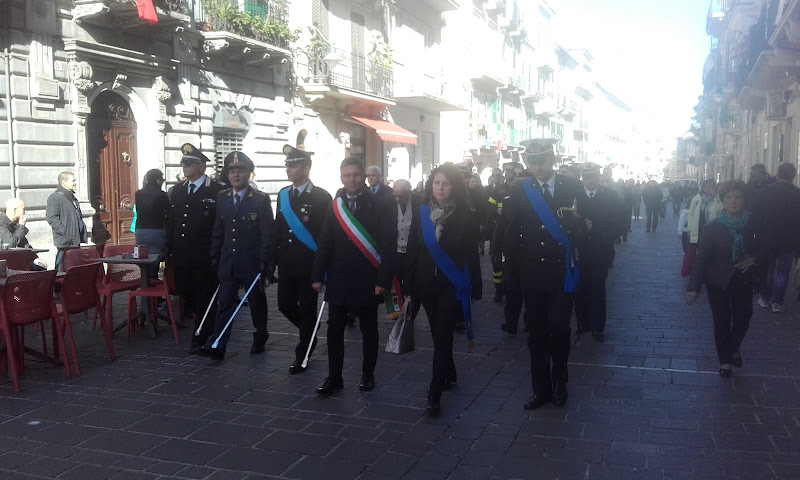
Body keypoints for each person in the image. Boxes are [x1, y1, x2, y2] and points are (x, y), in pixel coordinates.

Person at [505, 138, 585, 410]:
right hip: (532, 274)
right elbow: (510, 233)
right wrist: (510, 276)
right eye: (533, 161)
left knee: (560, 329)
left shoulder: (573, 187)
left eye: (543, 160)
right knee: (537, 333)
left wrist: (576, 227)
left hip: (562, 273)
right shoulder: (519, 191)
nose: (538, 166)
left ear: (553, 159)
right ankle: (541, 389)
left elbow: (589, 231)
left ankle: (560, 382)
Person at [311, 157, 396, 396]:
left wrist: (383, 279)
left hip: (367, 278)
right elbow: (325, 241)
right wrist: (317, 274)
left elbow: (389, 244)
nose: (352, 179)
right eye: (347, 175)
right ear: (341, 177)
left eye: (357, 175)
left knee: (369, 328)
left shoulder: (380, 204)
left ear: (364, 176)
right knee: (334, 328)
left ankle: (368, 374)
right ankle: (334, 377)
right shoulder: (335, 205)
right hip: (338, 278)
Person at [406, 164, 481, 416]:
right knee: (440, 335)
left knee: (442, 335)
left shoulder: (466, 215)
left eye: (446, 183)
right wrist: (408, 284)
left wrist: (476, 287)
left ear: (454, 186)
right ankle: (449, 373)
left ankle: (434, 393)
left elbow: (472, 253)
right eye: (436, 182)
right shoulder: (421, 213)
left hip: (452, 284)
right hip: (426, 285)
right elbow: (413, 249)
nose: (440, 188)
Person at [200, 151, 274, 361]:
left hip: (251, 263)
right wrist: (214, 254)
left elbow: (267, 233)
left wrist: (265, 262)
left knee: (256, 302)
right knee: (224, 303)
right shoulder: (222, 198)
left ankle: (261, 334)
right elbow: (219, 229)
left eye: (240, 170)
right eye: (231, 171)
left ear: (249, 174)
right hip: (228, 262)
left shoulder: (259, 199)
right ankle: (218, 344)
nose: (235, 175)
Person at [687, 180, 756, 378]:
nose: (733, 202)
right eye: (728, 198)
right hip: (718, 281)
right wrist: (694, 287)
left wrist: (753, 258)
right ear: (723, 201)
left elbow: (765, 246)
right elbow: (701, 258)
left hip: (743, 279)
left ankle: (732, 347)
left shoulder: (752, 223)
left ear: (744, 200)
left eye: (737, 197)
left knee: (744, 318)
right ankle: (725, 361)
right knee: (722, 321)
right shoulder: (712, 227)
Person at [273, 145, 332, 374]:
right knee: (284, 305)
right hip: (287, 262)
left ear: (306, 168)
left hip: (310, 263)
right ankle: (310, 332)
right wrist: (271, 260)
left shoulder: (321, 196)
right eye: (287, 164)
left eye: (294, 164)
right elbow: (278, 228)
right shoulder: (283, 195)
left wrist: (323, 267)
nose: (289, 169)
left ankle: (303, 351)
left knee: (307, 309)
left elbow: (325, 235)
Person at [167, 144, 225, 354]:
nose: (184, 166)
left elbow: (222, 223)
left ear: (201, 166)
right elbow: (172, 222)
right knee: (184, 292)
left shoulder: (216, 190)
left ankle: (201, 335)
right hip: (183, 255)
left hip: (205, 255)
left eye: (188, 163)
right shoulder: (178, 190)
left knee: (204, 297)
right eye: (183, 163)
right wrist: (168, 250)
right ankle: (205, 324)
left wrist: (219, 253)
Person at [575, 162, 618, 342]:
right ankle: (582, 323)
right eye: (586, 177)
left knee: (598, 288)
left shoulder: (610, 195)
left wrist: (607, 238)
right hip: (580, 250)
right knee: (581, 288)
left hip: (601, 249)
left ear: (599, 177)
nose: (589, 180)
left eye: (592, 176)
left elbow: (618, 221)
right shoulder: (575, 196)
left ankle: (597, 326)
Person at [752, 162, 800, 313]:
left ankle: (765, 298)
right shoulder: (797, 193)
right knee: (783, 272)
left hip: (768, 238)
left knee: (769, 270)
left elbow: (755, 212)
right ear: (793, 176)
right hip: (789, 240)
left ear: (778, 174)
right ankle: (777, 302)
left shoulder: (766, 191)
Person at [392, 179, 422, 323]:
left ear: (409, 192)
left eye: (401, 196)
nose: (398, 199)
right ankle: (398, 313)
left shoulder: (419, 202)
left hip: (413, 252)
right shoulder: (389, 204)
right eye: (395, 195)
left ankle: (411, 314)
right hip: (396, 251)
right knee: (396, 284)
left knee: (412, 285)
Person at [46, 172, 86, 272]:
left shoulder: (73, 198)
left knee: (75, 267)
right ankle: (57, 286)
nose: (75, 183)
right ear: (64, 183)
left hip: (75, 240)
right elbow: (51, 217)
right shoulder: (55, 197)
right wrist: (64, 232)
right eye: (73, 180)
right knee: (62, 268)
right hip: (64, 242)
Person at [134, 169, 170, 278]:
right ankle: (154, 287)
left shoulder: (138, 194)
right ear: (158, 180)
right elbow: (169, 213)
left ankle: (145, 282)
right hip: (156, 230)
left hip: (140, 231)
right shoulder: (162, 194)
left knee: (144, 258)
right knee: (156, 259)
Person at [488, 167, 514, 303]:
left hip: (515, 228)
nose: (509, 173)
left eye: (511, 170)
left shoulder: (519, 188)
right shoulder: (498, 189)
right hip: (500, 227)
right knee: (496, 258)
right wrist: (495, 210)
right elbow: (489, 206)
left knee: (512, 258)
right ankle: (498, 289)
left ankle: (510, 287)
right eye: (507, 171)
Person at [0, 198, 47, 269]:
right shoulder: (1, 223)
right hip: (7, 263)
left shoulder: (15, 223)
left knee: (40, 267)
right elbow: (11, 243)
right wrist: (21, 226)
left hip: (19, 259)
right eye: (23, 209)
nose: (25, 212)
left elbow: (24, 242)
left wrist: (35, 258)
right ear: (15, 210)